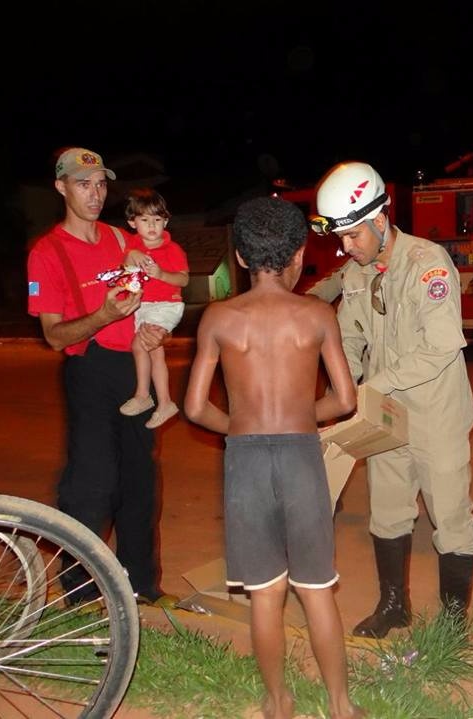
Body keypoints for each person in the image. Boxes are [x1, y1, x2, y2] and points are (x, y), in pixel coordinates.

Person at [184, 196, 363, 719]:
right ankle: (340, 705)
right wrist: (301, 416)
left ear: (239, 257)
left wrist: (240, 428)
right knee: (317, 590)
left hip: (246, 463)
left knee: (265, 594)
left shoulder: (219, 317)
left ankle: (278, 702)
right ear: (300, 254)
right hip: (302, 457)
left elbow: (195, 407)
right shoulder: (317, 313)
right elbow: (347, 400)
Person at [309, 161, 473, 638]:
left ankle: (452, 624)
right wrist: (341, 398)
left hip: (436, 414)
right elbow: (347, 340)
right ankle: (393, 606)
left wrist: (370, 388)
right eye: (341, 238)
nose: (346, 248)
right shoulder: (359, 272)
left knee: (449, 518)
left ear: (380, 218)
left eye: (352, 237)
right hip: (385, 416)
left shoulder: (427, 265)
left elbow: (441, 346)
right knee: (387, 511)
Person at [27, 147, 177, 607]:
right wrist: (103, 313)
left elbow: (164, 283)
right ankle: (80, 593)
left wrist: (156, 326)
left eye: (100, 185)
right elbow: (54, 336)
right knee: (93, 483)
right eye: (82, 184)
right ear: (61, 187)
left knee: (140, 481)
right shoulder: (47, 252)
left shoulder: (119, 237)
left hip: (133, 368)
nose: (94, 194)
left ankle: (142, 589)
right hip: (89, 369)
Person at [119, 188, 189, 429]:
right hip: (143, 306)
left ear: (166, 221)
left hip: (165, 305)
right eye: (144, 220)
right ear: (132, 222)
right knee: (152, 351)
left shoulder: (173, 250)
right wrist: (132, 254)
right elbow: (124, 264)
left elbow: (183, 280)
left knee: (141, 344)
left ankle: (143, 395)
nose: (152, 226)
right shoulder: (132, 245)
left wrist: (161, 274)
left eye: (157, 220)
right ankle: (164, 402)